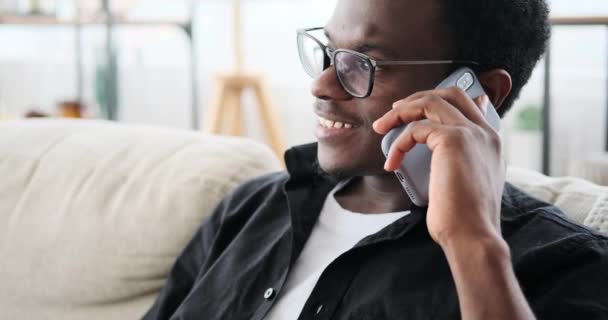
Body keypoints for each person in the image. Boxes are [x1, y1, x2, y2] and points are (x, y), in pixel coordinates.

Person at [144, 1, 608, 319]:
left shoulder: (563, 264)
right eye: (328, 53)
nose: (322, 85)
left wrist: (473, 241)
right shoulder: (250, 209)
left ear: (479, 93)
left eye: (364, 63)